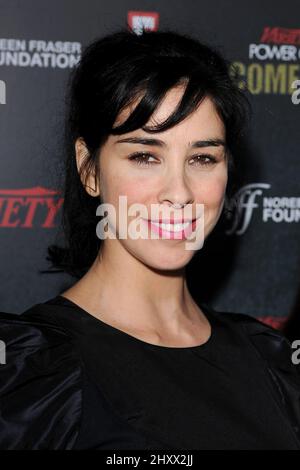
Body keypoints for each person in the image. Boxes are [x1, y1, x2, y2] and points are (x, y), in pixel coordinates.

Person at [1, 26, 300, 450]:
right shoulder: (31, 376)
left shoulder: (270, 361)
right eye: (145, 156)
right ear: (89, 170)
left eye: (202, 158)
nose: (178, 193)